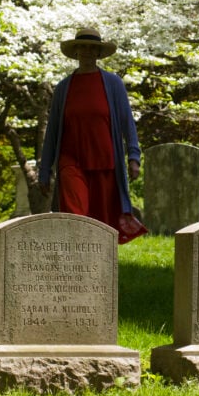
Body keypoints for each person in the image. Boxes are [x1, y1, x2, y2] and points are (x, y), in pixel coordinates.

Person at [39, 28, 148, 243]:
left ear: (98, 54)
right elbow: (52, 131)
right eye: (83, 47)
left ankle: (98, 268)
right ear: (76, 51)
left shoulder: (113, 84)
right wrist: (44, 171)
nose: (87, 52)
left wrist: (134, 157)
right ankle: (75, 262)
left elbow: (127, 122)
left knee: (101, 222)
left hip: (105, 162)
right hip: (70, 161)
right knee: (75, 215)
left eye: (92, 48)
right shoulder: (63, 88)